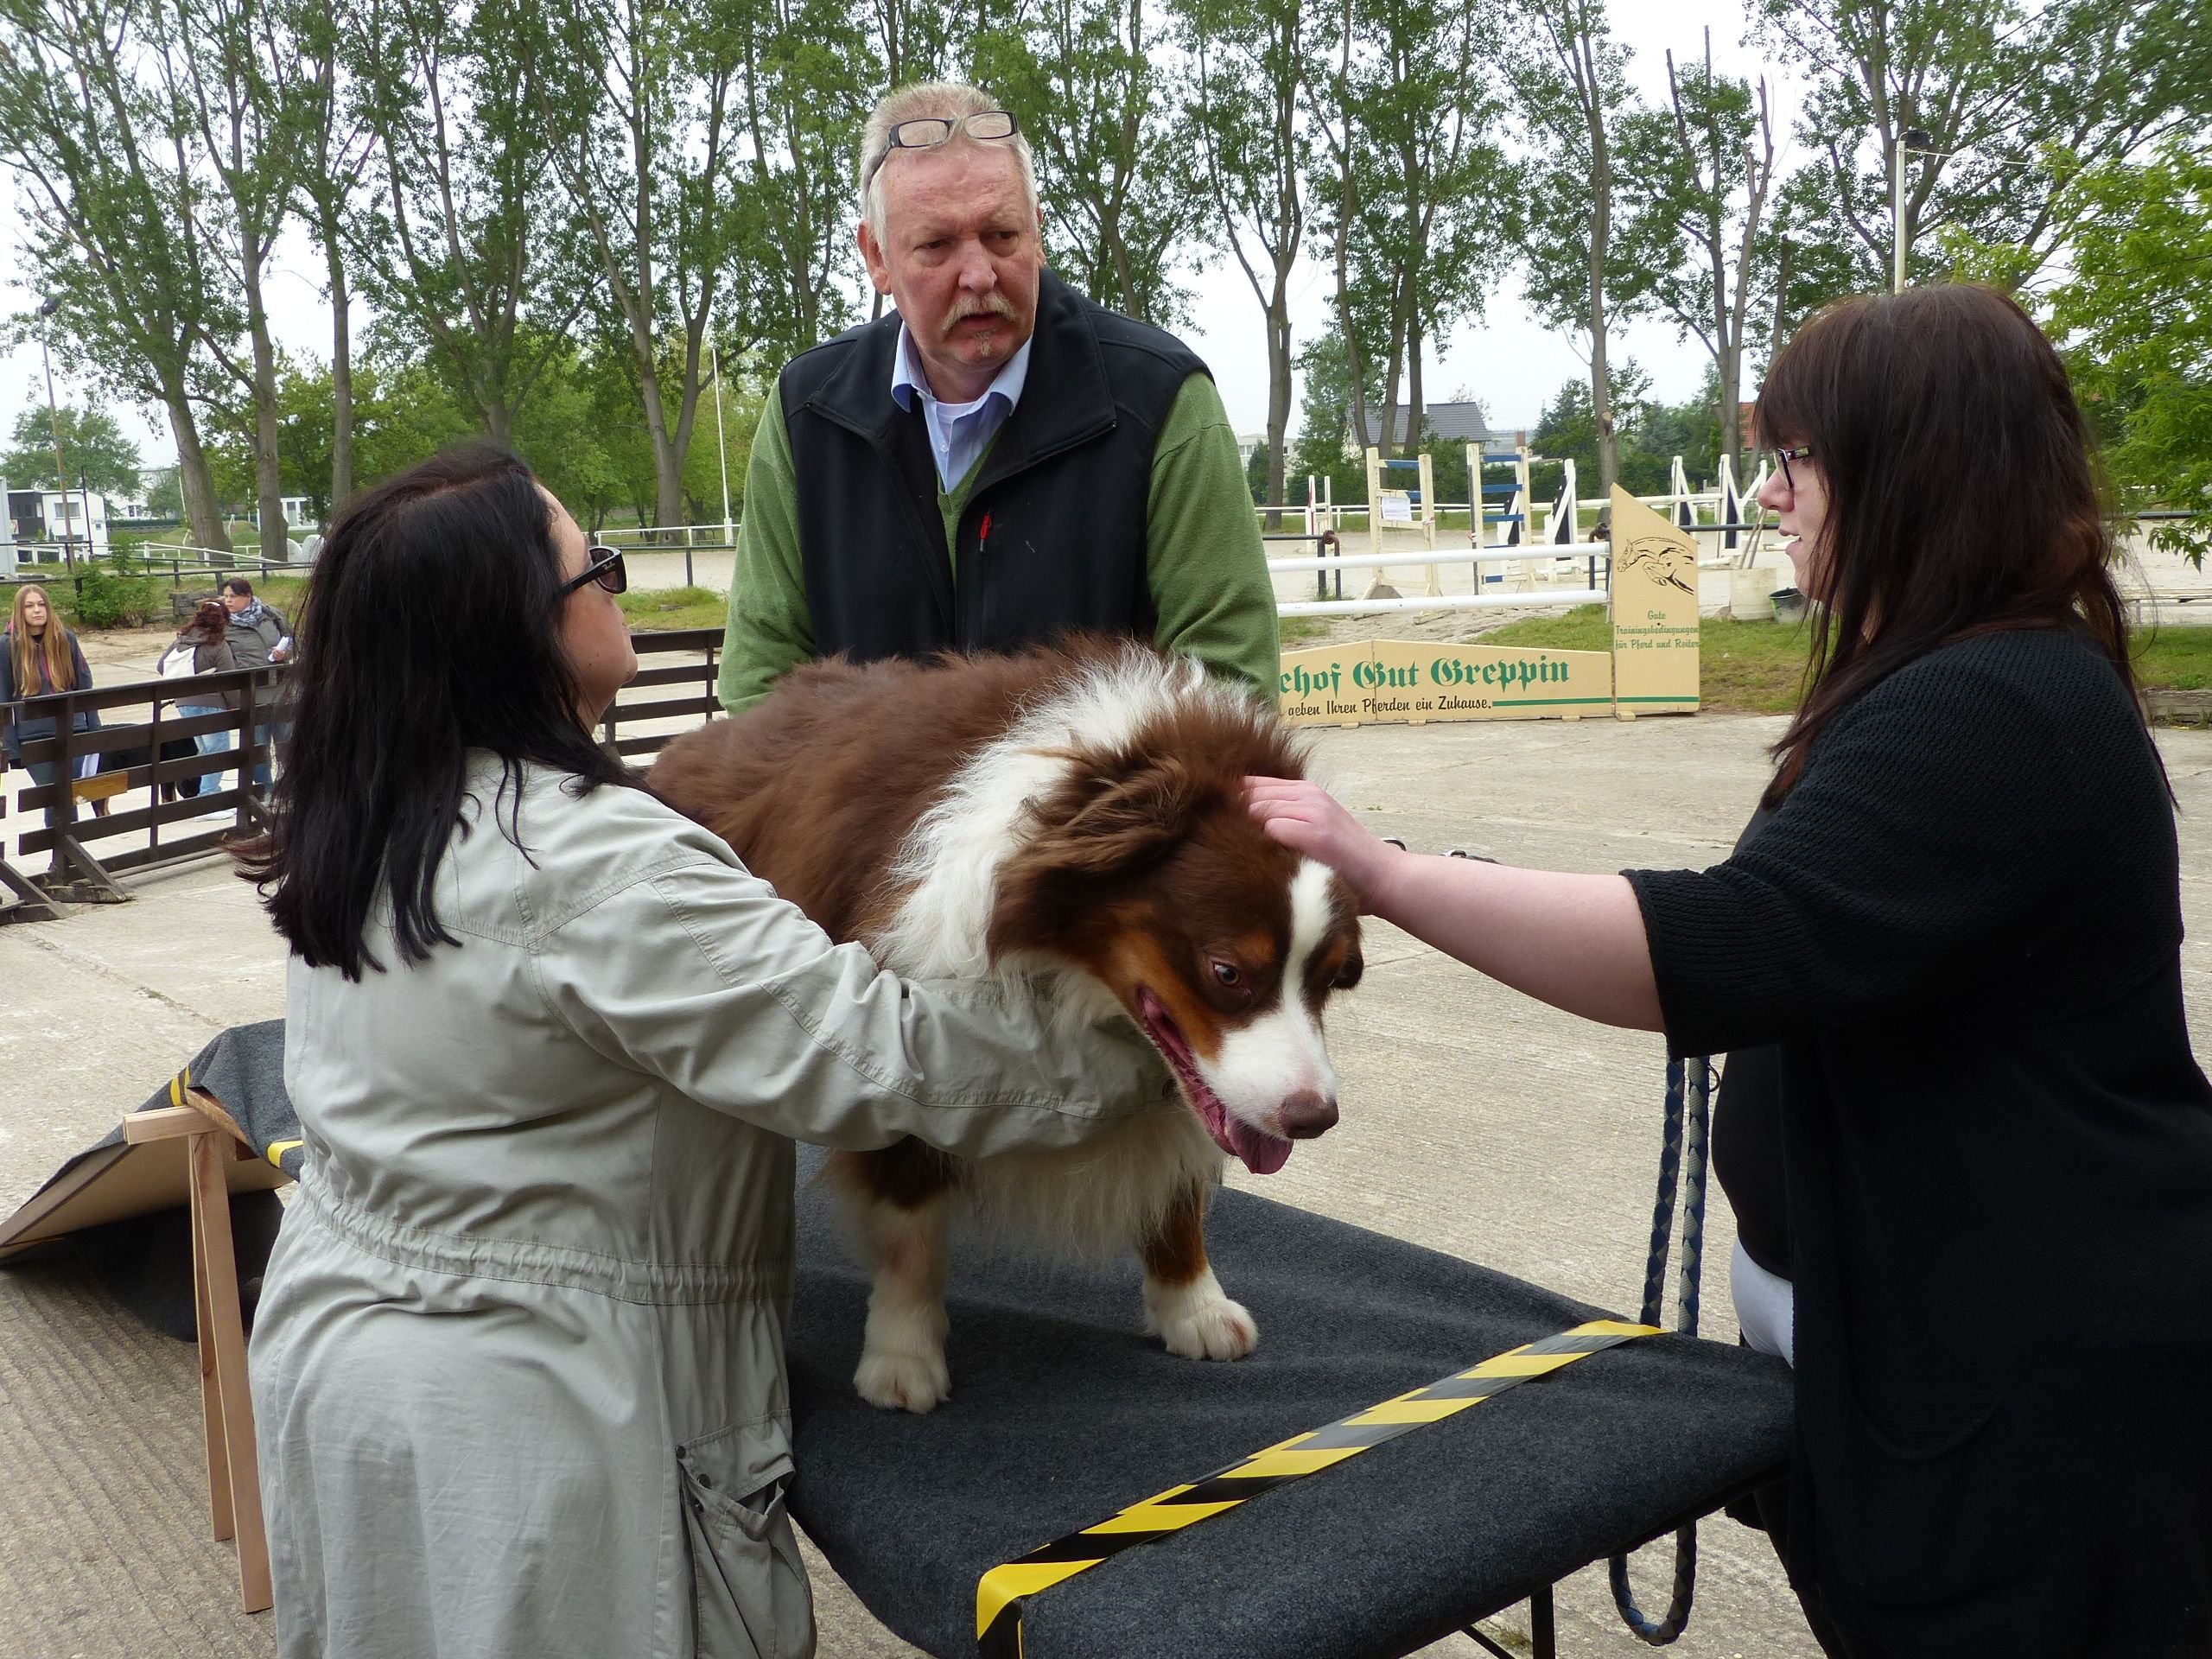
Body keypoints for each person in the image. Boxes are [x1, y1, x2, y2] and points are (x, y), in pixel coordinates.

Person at [1246, 285, 2212, 1657]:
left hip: (2032, 1412)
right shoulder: (1974, 671)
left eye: (1795, 459)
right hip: (1967, 1373)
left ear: (1908, 463)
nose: (1770, 497)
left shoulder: (1989, 705)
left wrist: (1384, 875)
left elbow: (1730, 944)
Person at [239, 443, 1177, 1659]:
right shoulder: (597, 867)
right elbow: (872, 1054)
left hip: (345, 1368)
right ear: (515, 630)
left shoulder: (367, 820)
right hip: (548, 1428)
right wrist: (1161, 1052)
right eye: (598, 571)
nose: (617, 591)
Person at [717, 79, 1279, 715]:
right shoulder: (808, 415)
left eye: (1002, 235)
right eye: (936, 245)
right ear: (876, 255)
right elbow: (758, 693)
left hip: (1093, 816)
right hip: (866, 816)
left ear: (1037, 232)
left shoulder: (1160, 403)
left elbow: (1228, 690)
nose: (980, 275)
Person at [3, 582, 104, 853]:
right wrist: (13, 749)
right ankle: (64, 859)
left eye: (41, 604)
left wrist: (94, 731)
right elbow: (3, 700)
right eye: (30, 606)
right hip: (34, 736)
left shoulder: (65, 638)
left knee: (69, 796)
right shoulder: (6, 646)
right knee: (53, 796)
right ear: (19, 611)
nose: (37, 610)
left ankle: (67, 859)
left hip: (74, 729)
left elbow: (84, 686)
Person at [156, 599, 238, 806]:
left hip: (183, 703)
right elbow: (229, 679)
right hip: (211, 703)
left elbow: (161, 666)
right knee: (218, 751)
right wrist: (235, 703)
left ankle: (202, 795)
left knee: (203, 751)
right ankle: (208, 798)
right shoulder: (218, 644)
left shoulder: (181, 641)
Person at [220, 577, 290, 790]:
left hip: (281, 691)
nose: (228, 601)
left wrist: (285, 652)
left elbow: (294, 639)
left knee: (287, 744)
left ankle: (292, 787)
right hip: (251, 695)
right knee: (257, 748)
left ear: (248, 596)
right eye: (225, 596)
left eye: (233, 596)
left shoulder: (271, 616)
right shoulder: (224, 625)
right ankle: (264, 790)